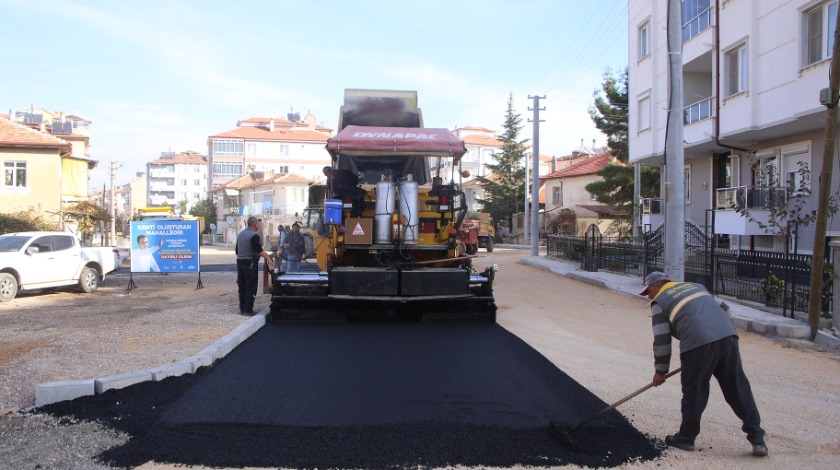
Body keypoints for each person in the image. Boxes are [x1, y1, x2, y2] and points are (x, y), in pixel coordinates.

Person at [640, 271, 767, 457]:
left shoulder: (660, 301)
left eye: (648, 290)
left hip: (697, 344)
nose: (649, 295)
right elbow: (725, 309)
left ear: (657, 285)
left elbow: (661, 340)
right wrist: (720, 333)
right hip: (727, 338)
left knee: (694, 391)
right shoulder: (696, 287)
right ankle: (757, 438)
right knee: (737, 388)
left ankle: (686, 438)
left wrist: (660, 371)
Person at [235, 217, 274, 315]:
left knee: (242, 286)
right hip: (250, 264)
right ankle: (248, 310)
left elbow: (237, 250)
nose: (258, 226)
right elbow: (258, 250)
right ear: (255, 224)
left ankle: (242, 308)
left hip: (240, 262)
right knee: (250, 286)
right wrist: (269, 258)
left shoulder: (240, 234)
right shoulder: (254, 236)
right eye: (258, 224)